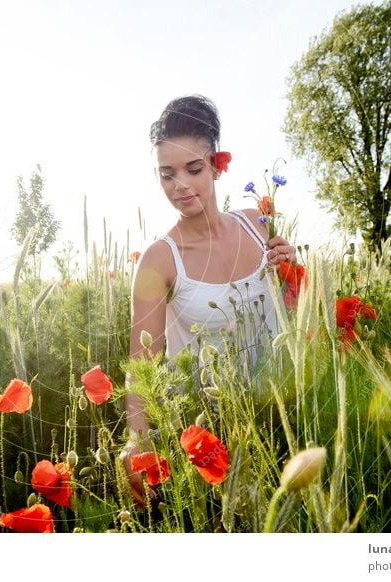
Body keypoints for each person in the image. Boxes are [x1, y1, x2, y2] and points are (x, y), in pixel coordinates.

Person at [123, 95, 297, 505]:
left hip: (281, 419)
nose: (180, 185)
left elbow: (289, 310)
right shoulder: (161, 258)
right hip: (207, 441)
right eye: (167, 175)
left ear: (217, 164)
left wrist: (291, 270)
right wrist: (137, 440)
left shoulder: (258, 223)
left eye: (194, 169)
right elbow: (140, 366)